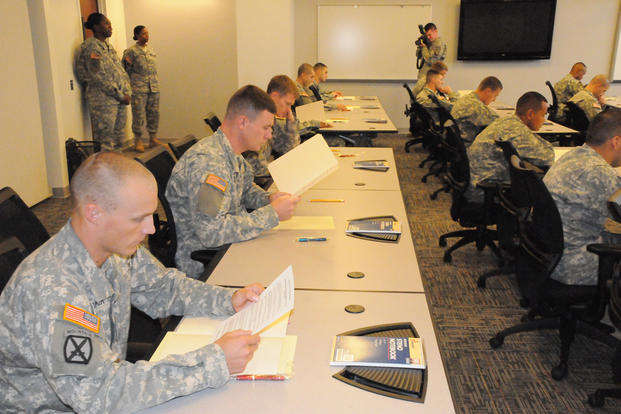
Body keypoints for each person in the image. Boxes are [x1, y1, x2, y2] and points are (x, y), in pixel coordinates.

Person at [0, 152, 264, 412]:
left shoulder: (116, 249)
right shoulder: (53, 290)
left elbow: (163, 288)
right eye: (139, 218)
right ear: (94, 214)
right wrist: (214, 361)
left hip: (104, 386)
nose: (151, 228)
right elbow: (98, 394)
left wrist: (228, 299)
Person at [166, 85, 301, 278]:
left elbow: (244, 190)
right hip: (210, 264)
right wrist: (271, 214)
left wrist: (269, 199)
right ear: (243, 122)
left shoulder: (231, 154)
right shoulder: (209, 163)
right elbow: (210, 232)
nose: (269, 135)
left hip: (232, 247)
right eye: (266, 127)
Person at [544, 109, 621, 285]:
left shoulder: (574, 155)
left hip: (549, 254)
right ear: (616, 142)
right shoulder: (599, 173)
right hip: (574, 264)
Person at [466, 91, 554, 202]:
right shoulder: (517, 131)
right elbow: (548, 157)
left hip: (474, 184)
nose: (544, 120)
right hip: (484, 193)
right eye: (543, 115)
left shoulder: (506, 122)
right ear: (530, 114)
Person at [76, 13, 131, 151]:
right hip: (103, 101)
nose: (110, 27)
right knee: (105, 143)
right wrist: (119, 95)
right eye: (106, 24)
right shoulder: (91, 47)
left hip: (119, 99)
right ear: (96, 26)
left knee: (119, 141)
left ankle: (117, 170)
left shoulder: (108, 47)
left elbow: (119, 71)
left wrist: (127, 92)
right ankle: (104, 172)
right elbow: (98, 76)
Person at [244, 75, 303, 177]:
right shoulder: (256, 120)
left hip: (265, 177)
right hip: (256, 183)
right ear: (274, 96)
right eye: (287, 104)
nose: (289, 110)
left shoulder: (271, 119)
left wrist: (291, 122)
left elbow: (288, 151)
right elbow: (257, 169)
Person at [123, 25, 162, 152]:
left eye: (147, 33)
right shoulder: (131, 52)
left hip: (153, 87)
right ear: (137, 35)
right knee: (139, 115)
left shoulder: (150, 50)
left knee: (154, 114)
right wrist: (128, 88)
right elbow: (125, 71)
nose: (147, 36)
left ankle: (153, 138)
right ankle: (138, 140)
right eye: (144, 33)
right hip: (139, 89)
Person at [450, 76, 503, 146]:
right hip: (467, 147)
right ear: (488, 91)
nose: (494, 100)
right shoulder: (475, 106)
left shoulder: (465, 98)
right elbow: (501, 123)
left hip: (457, 145)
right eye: (495, 96)